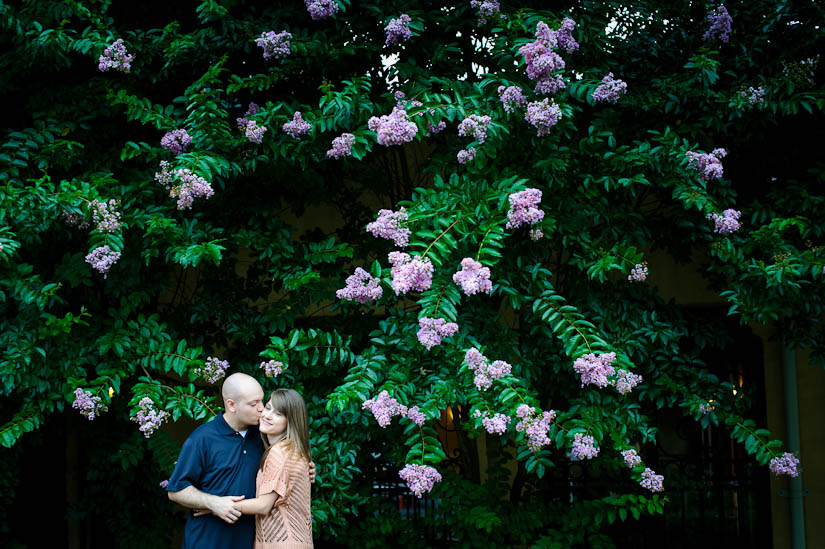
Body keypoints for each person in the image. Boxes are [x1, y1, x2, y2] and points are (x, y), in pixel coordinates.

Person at [166, 374, 315, 548]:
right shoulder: (202, 439)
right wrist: (213, 503)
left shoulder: (264, 437)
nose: (261, 409)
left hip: (249, 541)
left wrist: (307, 469)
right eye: (254, 404)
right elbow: (175, 491)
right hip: (206, 541)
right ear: (231, 405)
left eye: (262, 402)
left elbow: (288, 461)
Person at [222, 388, 314, 548]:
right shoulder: (295, 451)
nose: (267, 415)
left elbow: (263, 505)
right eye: (268, 407)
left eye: (278, 414)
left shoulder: (279, 452)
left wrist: (218, 506)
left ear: (289, 421)